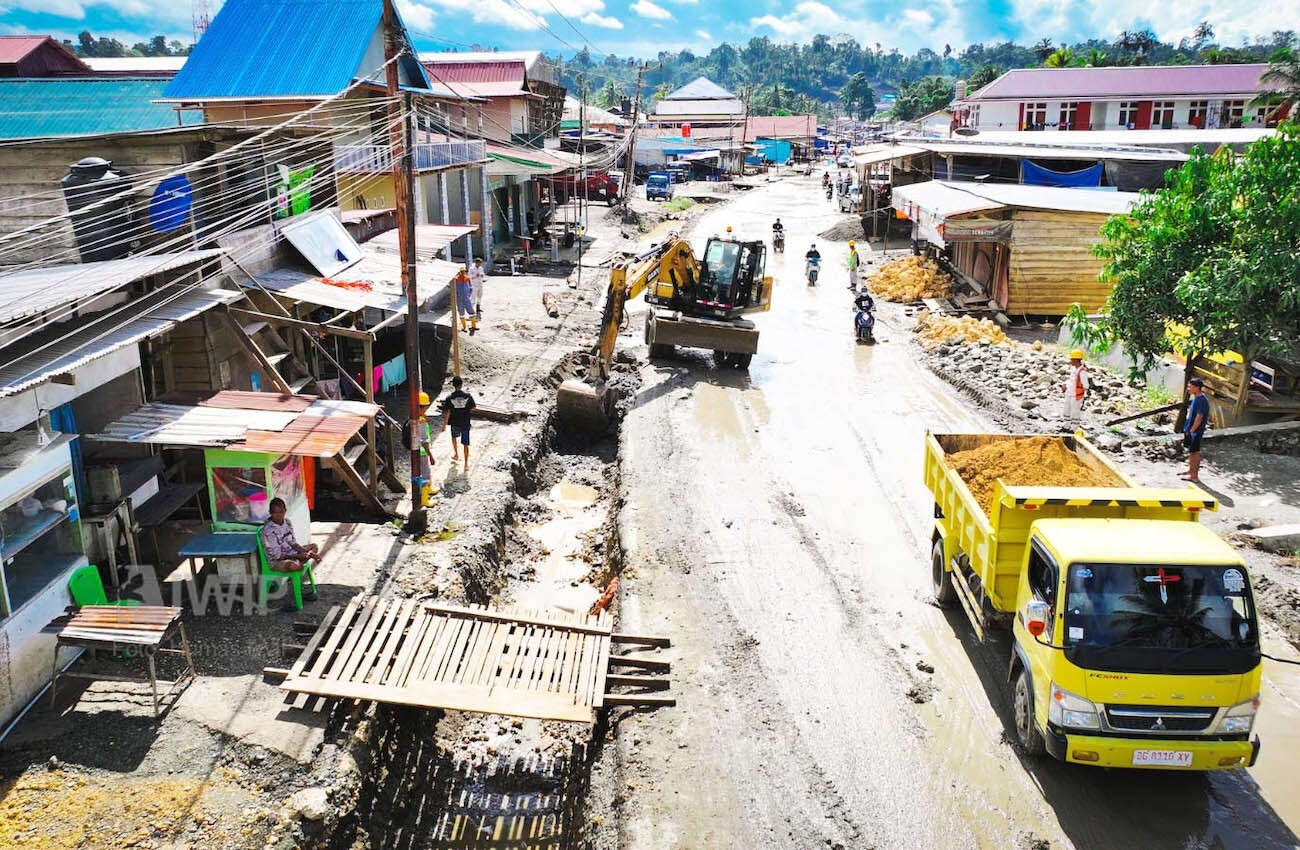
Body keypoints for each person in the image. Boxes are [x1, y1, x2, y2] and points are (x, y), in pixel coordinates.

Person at [261, 497, 320, 586]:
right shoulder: (268, 530)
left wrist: (306, 552)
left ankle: (300, 560)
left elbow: (293, 543)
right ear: (270, 513)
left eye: (281, 512)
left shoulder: (287, 522)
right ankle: (298, 562)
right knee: (295, 566)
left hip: (291, 554)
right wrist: (298, 555)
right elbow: (277, 556)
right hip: (276, 561)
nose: (278, 515)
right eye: (275, 513)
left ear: (285, 511)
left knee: (314, 546)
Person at [403, 391, 436, 503]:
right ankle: (424, 499)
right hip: (422, 452)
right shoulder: (420, 421)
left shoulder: (415, 416)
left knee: (426, 471)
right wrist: (430, 455)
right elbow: (424, 440)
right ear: (423, 406)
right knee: (425, 473)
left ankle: (428, 489)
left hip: (419, 450)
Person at [441, 375, 477, 474]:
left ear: (453, 385)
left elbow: (447, 412)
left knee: (454, 438)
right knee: (465, 444)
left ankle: (456, 454)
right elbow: (474, 408)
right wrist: (466, 410)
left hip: (454, 423)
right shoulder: (468, 396)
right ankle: (466, 464)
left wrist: (444, 425)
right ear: (462, 384)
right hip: (465, 423)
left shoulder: (449, 398)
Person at [1181, 378, 1210, 483]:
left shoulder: (1202, 400)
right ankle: (1190, 471)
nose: (1189, 388)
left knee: (1195, 452)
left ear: (1197, 388)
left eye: (1191, 387)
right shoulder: (1196, 398)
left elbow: (1199, 417)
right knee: (1192, 452)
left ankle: (1194, 476)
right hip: (1191, 430)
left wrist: (1192, 430)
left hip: (1196, 431)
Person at [1063, 349, 1090, 423]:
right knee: (1067, 410)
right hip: (1069, 393)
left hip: (1076, 395)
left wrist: (1080, 390)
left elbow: (1086, 386)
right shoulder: (1073, 369)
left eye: (1071, 359)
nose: (1070, 361)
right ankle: (1066, 426)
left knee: (1075, 412)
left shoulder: (1082, 371)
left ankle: (1074, 428)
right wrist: (1066, 385)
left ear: (1076, 360)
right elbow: (1071, 380)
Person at [451, 268, 476, 335]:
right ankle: (464, 327)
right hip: (459, 299)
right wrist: (456, 297)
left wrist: (468, 295)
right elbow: (453, 289)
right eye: (461, 271)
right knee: (461, 313)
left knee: (471, 311)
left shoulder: (467, 278)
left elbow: (471, 288)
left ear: (465, 271)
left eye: (464, 271)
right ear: (459, 272)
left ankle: (473, 326)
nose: (463, 272)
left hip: (466, 298)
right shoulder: (456, 279)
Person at [469, 259, 486, 323]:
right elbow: (469, 276)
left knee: (480, 296)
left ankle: (478, 308)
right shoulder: (471, 268)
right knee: (473, 298)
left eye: (480, 263)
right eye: (479, 263)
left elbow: (483, 274)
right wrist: (475, 276)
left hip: (480, 284)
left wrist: (482, 275)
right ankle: (471, 311)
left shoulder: (481, 268)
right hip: (474, 285)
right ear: (476, 263)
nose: (479, 265)